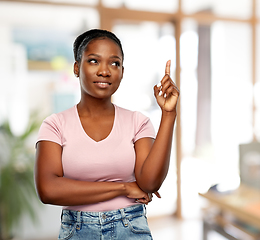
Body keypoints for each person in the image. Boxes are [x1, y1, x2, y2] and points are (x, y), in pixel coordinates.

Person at [34, 29, 179, 240]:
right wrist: (123, 188)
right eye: (94, 61)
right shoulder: (55, 125)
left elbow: (150, 183)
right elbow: (48, 190)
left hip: (131, 228)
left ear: (122, 71)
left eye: (114, 63)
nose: (105, 71)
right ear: (77, 67)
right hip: (77, 231)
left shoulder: (138, 122)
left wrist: (168, 113)